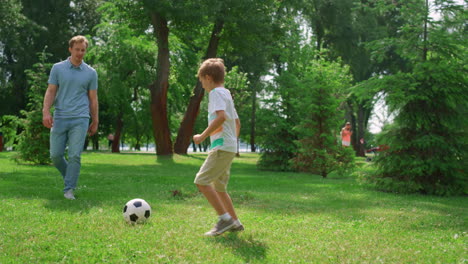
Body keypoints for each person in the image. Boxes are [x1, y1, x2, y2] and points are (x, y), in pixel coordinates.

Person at [42, 35, 99, 200]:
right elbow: (51, 91)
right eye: (77, 49)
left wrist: (95, 120)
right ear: (70, 49)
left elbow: (93, 99)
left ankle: (69, 189)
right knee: (55, 155)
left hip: (80, 118)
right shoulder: (57, 68)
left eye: (83, 50)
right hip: (60, 117)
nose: (80, 53)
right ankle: (70, 177)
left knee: (74, 155)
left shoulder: (91, 73)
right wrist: (46, 111)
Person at [193, 58, 243, 236]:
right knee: (219, 188)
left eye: (201, 81)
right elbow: (237, 122)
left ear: (208, 77)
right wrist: (232, 143)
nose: (203, 86)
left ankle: (225, 219)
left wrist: (202, 136)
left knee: (201, 181)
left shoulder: (215, 94)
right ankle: (235, 222)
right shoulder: (226, 94)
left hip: (221, 148)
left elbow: (221, 117)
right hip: (227, 147)